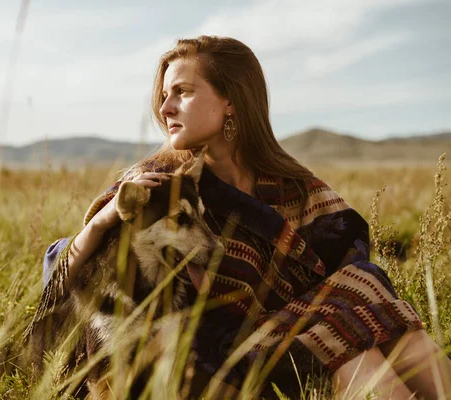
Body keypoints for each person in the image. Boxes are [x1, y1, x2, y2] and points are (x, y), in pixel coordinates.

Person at [37, 36, 451, 399]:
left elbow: (348, 255)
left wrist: (326, 307)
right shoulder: (160, 185)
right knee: (350, 339)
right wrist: (100, 223)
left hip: (296, 335)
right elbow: (74, 283)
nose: (165, 107)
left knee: (379, 326)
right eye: (164, 94)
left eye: (182, 91)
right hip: (211, 360)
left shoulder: (289, 183)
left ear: (231, 99)